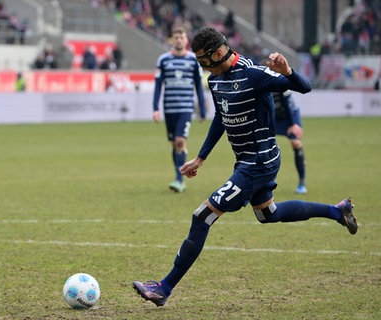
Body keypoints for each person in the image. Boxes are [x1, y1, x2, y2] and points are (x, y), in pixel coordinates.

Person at [132, 27, 358, 307]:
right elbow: (220, 117)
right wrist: (201, 157)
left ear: (218, 53)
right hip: (247, 161)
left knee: (202, 216)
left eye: (204, 61)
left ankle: (164, 288)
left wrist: (287, 71)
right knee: (268, 214)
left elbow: (304, 86)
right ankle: (337, 211)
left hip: (259, 161)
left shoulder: (254, 74)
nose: (203, 68)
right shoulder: (215, 81)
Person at [152, 26, 206, 193]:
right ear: (172, 40)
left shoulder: (193, 60)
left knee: (180, 141)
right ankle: (178, 174)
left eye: (181, 37)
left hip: (185, 108)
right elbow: (158, 85)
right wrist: (155, 108)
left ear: (186, 39)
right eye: (175, 37)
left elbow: (198, 85)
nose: (178, 40)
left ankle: (179, 179)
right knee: (175, 145)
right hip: (169, 109)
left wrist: (202, 108)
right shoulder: (163, 60)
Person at [272, 90, 307, 194]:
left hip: (290, 114)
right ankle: (268, 181)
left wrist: (293, 124)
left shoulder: (280, 78)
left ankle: (302, 182)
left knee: (296, 143)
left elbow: (287, 101)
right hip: (273, 115)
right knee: (265, 145)